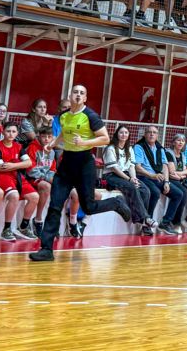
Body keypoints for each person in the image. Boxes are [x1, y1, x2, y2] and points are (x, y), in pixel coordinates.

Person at [28, 85, 131, 261]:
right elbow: (64, 134)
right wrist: (53, 144)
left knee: (89, 206)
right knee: (55, 206)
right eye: (75, 92)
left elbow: (105, 138)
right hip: (66, 163)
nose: (78, 95)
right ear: (70, 96)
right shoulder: (63, 116)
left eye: (82, 93)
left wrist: (84, 142)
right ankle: (46, 249)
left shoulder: (90, 116)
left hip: (85, 164)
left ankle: (116, 203)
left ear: (85, 98)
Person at [0, 123, 39, 241]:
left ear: (17, 133)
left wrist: (13, 165)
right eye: (8, 131)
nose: (11, 134)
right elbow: (1, 168)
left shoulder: (18, 146)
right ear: (3, 132)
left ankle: (24, 227)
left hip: (16, 175)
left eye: (14, 132)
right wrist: (20, 164)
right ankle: (6, 229)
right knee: (14, 196)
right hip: (0, 176)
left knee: (34, 197)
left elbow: (29, 163)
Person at [103, 124, 152, 235]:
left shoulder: (129, 148)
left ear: (129, 135)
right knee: (131, 187)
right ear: (117, 134)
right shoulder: (110, 148)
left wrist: (134, 178)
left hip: (126, 175)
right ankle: (145, 218)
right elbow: (114, 169)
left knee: (145, 190)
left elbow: (131, 166)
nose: (123, 135)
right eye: (121, 132)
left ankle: (140, 219)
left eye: (126, 133)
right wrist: (129, 180)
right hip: (111, 175)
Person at [135, 125, 184, 235]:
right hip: (144, 176)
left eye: (154, 132)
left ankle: (165, 223)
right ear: (145, 134)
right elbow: (138, 167)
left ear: (157, 135)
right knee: (155, 192)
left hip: (158, 177)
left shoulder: (160, 148)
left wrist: (166, 181)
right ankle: (146, 224)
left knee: (178, 194)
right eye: (149, 132)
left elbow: (165, 166)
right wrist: (152, 176)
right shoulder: (139, 147)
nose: (152, 134)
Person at [25, 126, 58, 238]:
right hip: (31, 178)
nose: (46, 139)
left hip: (44, 178)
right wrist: (46, 178)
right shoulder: (32, 148)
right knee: (46, 186)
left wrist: (51, 178)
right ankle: (38, 219)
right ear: (39, 136)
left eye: (49, 137)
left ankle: (54, 222)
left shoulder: (52, 151)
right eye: (44, 136)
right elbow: (30, 170)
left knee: (61, 186)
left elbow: (52, 169)